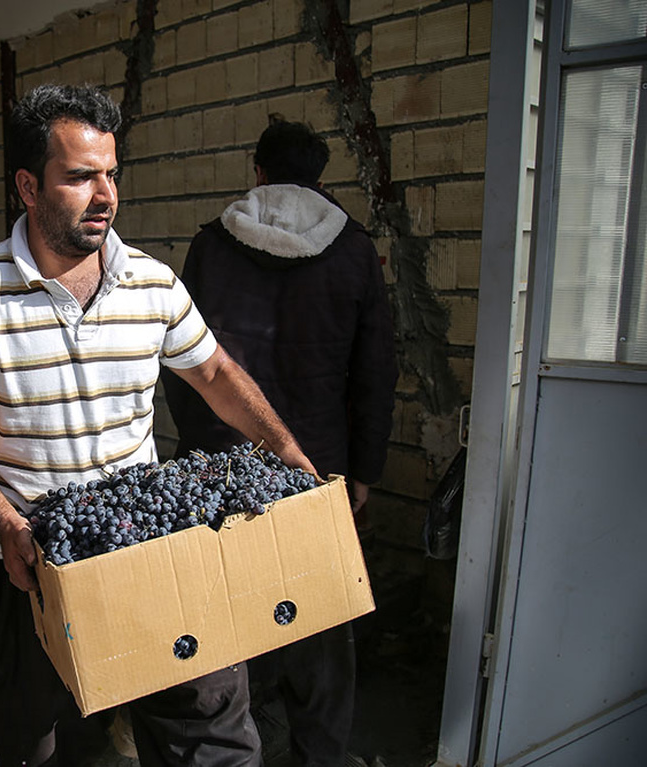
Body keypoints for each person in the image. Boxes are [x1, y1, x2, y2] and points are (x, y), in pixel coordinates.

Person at [0, 84, 316, 767]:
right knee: (51, 748)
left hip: (152, 554)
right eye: (79, 177)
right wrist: (8, 524)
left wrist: (284, 447)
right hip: (30, 564)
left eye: (110, 173)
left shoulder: (150, 283)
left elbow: (212, 373)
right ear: (27, 187)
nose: (104, 195)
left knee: (210, 735)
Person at [164, 120, 398, 767]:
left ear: (256, 170)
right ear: (320, 179)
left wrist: (200, 446)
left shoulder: (213, 246)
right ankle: (318, 756)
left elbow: (182, 363)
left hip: (219, 464)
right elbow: (375, 371)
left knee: (218, 623)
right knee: (319, 622)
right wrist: (361, 472)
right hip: (316, 467)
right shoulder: (352, 249)